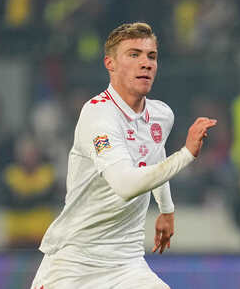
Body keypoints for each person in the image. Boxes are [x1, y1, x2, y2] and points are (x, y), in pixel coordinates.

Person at [30, 22, 217, 289]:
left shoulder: (161, 115)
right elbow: (125, 185)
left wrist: (166, 209)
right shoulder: (98, 115)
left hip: (126, 263)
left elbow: (154, 153)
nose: (146, 63)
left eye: (151, 56)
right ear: (111, 63)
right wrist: (187, 154)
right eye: (134, 54)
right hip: (74, 264)